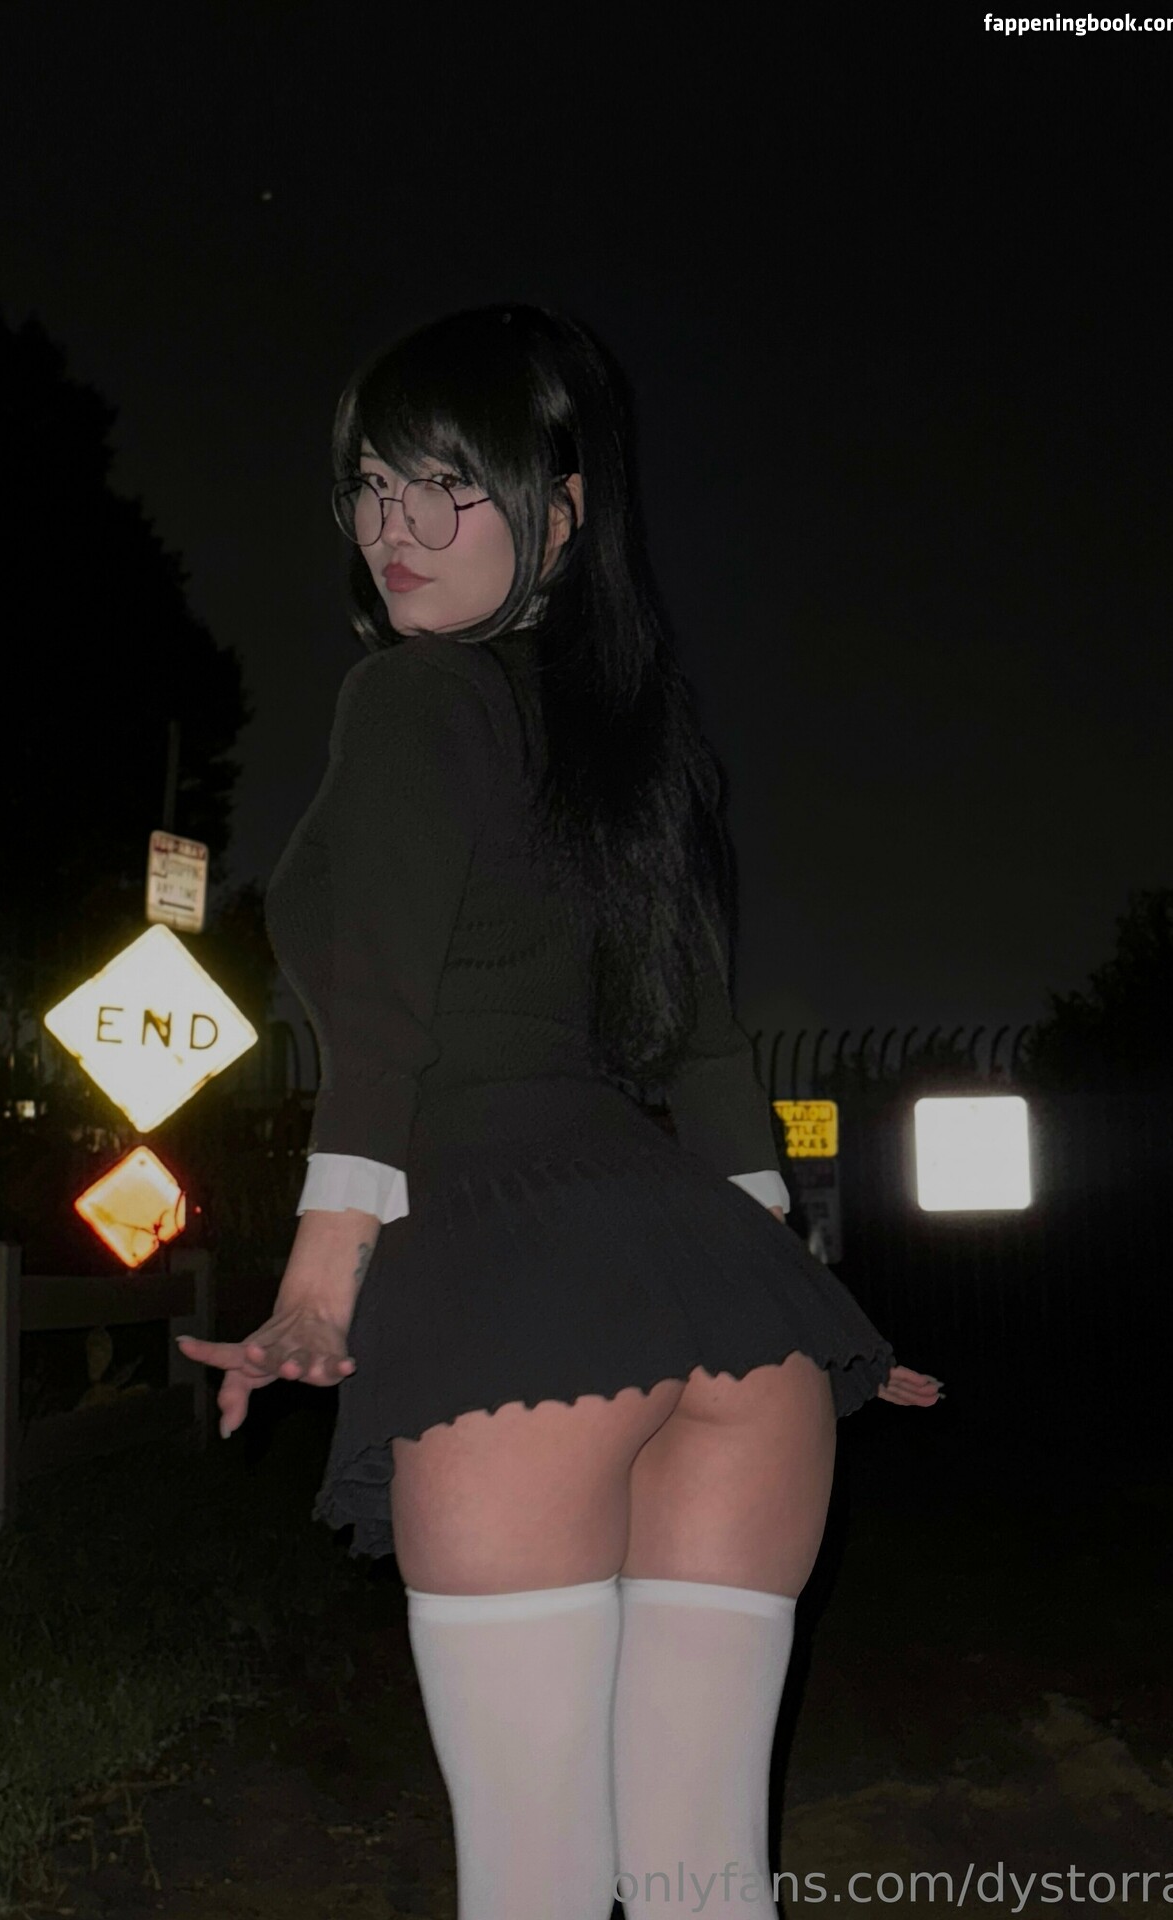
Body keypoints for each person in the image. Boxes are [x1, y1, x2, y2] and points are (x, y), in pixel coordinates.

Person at [178, 304, 940, 1920]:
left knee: (535, 1884)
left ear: (566, 509)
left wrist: (319, 1286)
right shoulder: (645, 750)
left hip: (514, 1298)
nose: (393, 525)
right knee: (702, 1875)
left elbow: (384, 1026)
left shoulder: (412, 700)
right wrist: (799, 1299)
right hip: (729, 1325)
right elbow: (710, 1056)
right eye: (370, 484)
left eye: (448, 484)